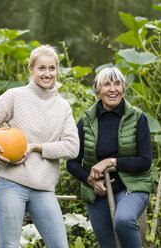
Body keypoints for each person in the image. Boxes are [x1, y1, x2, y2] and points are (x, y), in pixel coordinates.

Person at [0, 45, 79, 248]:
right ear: (31, 69)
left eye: (52, 68)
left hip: (44, 188)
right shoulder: (14, 96)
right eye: (41, 68)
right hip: (11, 182)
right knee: (9, 245)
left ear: (57, 70)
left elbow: (72, 147)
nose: (47, 74)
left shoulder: (62, 107)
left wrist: (35, 147)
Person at [66, 67, 152, 248]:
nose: (113, 89)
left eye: (117, 84)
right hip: (98, 193)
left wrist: (110, 162)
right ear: (97, 92)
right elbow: (72, 163)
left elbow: (145, 161)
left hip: (131, 187)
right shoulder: (86, 122)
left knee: (123, 220)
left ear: (123, 89)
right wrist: (91, 181)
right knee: (108, 245)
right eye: (106, 84)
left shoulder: (138, 118)